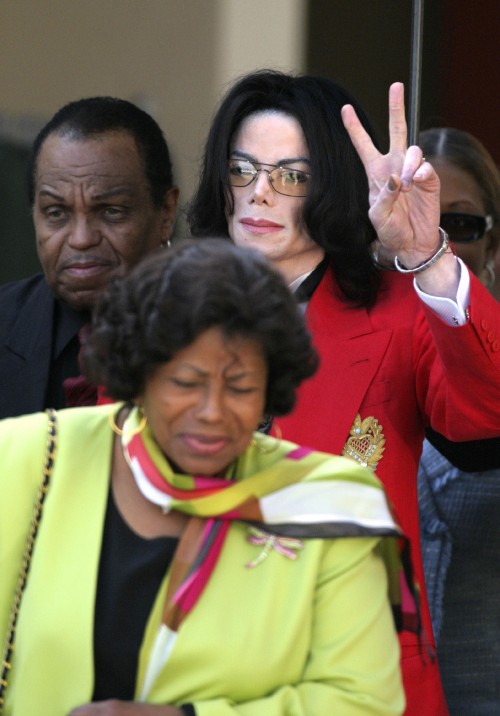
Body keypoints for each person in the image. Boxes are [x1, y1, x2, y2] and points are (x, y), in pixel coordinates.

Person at [187, 69, 500, 716]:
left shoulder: (398, 315)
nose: (261, 194)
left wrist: (429, 257)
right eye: (242, 170)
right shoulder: (165, 318)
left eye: (291, 175)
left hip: (362, 684)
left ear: (329, 184)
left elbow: (486, 408)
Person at [0, 239, 406, 715]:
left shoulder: (329, 503)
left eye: (240, 387)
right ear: (140, 374)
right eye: (185, 383)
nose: (212, 412)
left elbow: (364, 702)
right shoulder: (25, 457)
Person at [0, 96, 179, 419]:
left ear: (166, 212)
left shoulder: (221, 335)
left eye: (111, 211)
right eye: (56, 213)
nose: (81, 239)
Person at [417, 127, 500, 714]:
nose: (436, 240)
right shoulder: (342, 347)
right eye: (422, 217)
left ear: (493, 244)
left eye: (462, 225)